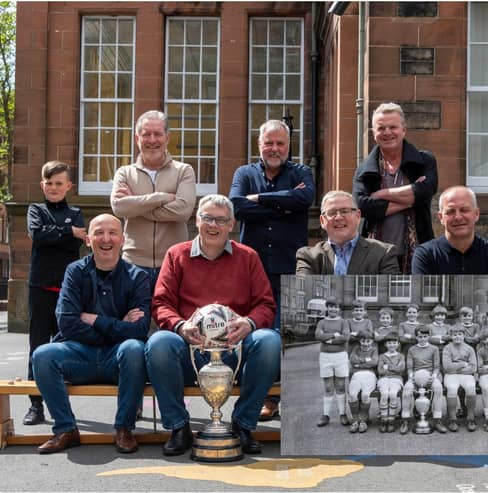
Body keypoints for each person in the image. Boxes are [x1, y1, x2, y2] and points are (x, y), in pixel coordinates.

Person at [145, 194, 280, 456]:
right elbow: (161, 303)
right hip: (190, 349)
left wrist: (249, 323)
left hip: (234, 351)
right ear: (196, 220)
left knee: (269, 340)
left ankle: (243, 425)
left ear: (232, 225)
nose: (213, 225)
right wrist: (180, 326)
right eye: (207, 218)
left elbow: (266, 305)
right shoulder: (177, 255)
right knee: (159, 343)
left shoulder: (248, 257)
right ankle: (178, 427)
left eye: (221, 220)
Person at [32, 214, 151, 454]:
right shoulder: (74, 272)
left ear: (123, 239)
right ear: (88, 240)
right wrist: (117, 326)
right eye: (98, 232)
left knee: (134, 349)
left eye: (112, 233)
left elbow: (139, 330)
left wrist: (94, 319)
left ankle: (124, 428)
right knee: (43, 355)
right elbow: (66, 323)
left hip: (117, 359)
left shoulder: (138, 277)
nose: (105, 239)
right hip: (79, 355)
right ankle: (66, 429)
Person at [229, 119, 314, 420]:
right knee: (261, 336)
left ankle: (288, 398)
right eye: (269, 143)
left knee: (289, 337)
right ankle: (265, 398)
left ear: (288, 146)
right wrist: (284, 206)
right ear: (259, 144)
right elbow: (236, 207)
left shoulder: (301, 173)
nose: (274, 148)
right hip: (253, 271)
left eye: (280, 143)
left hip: (290, 268)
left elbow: (304, 198)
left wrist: (260, 199)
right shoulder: (244, 173)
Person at [23, 161, 86, 426]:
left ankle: (60, 403)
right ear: (42, 184)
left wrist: (64, 235)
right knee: (38, 346)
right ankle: (35, 404)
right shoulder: (35, 210)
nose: (53, 187)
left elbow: (75, 243)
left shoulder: (76, 211)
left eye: (59, 183)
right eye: (49, 183)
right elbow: (38, 235)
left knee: (63, 346)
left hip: (68, 290)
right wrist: (68, 233)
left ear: (68, 186)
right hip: (40, 287)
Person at [111, 110, 197, 289]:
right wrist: (162, 198)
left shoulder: (184, 171)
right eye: (146, 134)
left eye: (157, 134)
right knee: (135, 316)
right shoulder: (124, 173)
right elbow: (119, 208)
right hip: (133, 263)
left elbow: (183, 211)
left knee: (169, 317)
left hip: (174, 262)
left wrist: (135, 204)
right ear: (137, 138)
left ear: (167, 137)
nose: (152, 140)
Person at [352, 102, 438, 273]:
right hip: (374, 255)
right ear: (374, 133)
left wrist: (382, 194)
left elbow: (427, 190)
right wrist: (412, 198)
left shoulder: (424, 161)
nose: (387, 133)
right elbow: (363, 206)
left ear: (403, 130)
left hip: (418, 252)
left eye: (393, 127)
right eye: (381, 128)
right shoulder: (364, 169)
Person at [296, 191, 400, 275]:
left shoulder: (383, 253)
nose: (338, 217)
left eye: (344, 211)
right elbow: (302, 294)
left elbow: (390, 296)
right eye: (332, 213)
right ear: (322, 221)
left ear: (358, 216)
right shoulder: (308, 257)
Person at [412, 186, 488, 274]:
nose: (458, 217)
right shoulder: (426, 255)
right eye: (450, 211)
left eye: (464, 210)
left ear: (476, 214)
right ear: (441, 217)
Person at [399, 326, 447, 434]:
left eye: (425, 336)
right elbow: (410, 367)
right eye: (420, 336)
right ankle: (405, 420)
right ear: (416, 337)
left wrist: (433, 377)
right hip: (416, 376)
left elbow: (436, 367)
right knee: (406, 390)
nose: (423, 339)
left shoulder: (434, 349)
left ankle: (437, 419)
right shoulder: (411, 349)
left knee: (438, 388)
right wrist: (412, 377)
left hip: (430, 376)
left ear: (428, 336)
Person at [314, 297, 350, 427]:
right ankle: (326, 415)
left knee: (340, 386)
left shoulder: (343, 322)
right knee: (328, 387)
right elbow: (318, 336)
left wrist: (327, 339)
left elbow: (345, 338)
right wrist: (335, 335)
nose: (333, 309)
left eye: (335, 307)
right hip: (325, 357)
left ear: (338, 309)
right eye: (331, 306)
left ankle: (342, 414)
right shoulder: (322, 322)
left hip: (340, 356)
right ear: (327, 308)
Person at [442, 326, 478, 432]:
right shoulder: (447, 348)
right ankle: (453, 419)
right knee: (452, 388)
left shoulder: (469, 348)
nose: (457, 337)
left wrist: (456, 368)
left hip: (466, 374)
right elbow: (447, 366)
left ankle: (471, 418)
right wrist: (463, 364)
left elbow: (473, 368)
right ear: (451, 336)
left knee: (471, 387)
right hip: (451, 375)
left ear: (464, 335)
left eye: (460, 334)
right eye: (454, 335)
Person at [347, 330, 378, 433]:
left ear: (372, 341)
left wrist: (359, 363)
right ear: (360, 341)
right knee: (352, 395)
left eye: (368, 341)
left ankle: (363, 421)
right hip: (356, 374)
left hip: (370, 375)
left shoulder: (374, 349)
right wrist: (366, 360)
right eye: (363, 341)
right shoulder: (356, 349)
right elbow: (352, 360)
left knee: (365, 395)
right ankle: (355, 420)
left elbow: (374, 362)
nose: (365, 343)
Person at [377, 332, 405, 433]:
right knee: (384, 393)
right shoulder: (381, 356)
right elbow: (380, 371)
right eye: (389, 343)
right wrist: (395, 367)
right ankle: (384, 419)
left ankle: (391, 419)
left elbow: (401, 370)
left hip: (397, 379)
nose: (392, 345)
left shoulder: (401, 356)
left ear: (398, 344)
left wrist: (387, 366)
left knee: (393, 393)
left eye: (394, 343)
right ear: (385, 344)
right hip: (383, 379)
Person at [476, 328, 488, 431]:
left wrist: (486, 366)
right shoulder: (480, 351)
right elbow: (480, 369)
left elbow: (484, 367)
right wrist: (484, 368)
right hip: (485, 376)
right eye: (486, 338)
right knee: (485, 388)